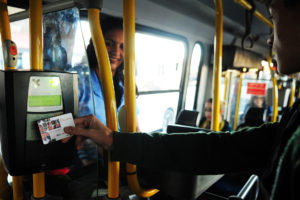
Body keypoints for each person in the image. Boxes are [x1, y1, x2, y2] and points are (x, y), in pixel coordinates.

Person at [64, 0, 300, 199]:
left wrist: (118, 143)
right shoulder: (292, 124)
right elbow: (220, 147)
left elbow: (219, 149)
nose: (269, 39)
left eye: (274, 19)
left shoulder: (124, 85)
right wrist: (114, 140)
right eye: (109, 43)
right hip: (88, 165)